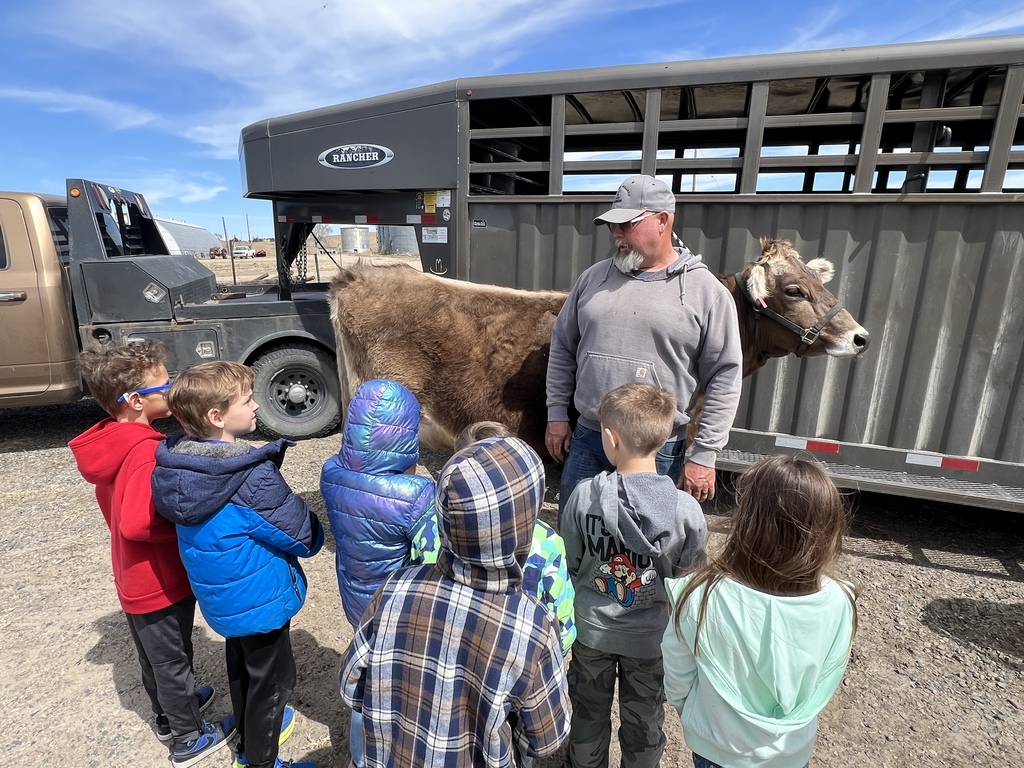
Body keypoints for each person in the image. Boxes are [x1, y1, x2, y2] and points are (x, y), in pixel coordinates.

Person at [340, 436, 571, 768]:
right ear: (525, 523)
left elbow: (351, 685)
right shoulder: (532, 625)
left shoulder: (396, 587)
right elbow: (547, 736)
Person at [68, 341, 234, 767]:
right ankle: (187, 738)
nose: (173, 387)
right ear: (137, 400)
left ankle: (166, 714)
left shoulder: (113, 439)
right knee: (172, 660)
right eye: (166, 382)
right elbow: (137, 524)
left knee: (154, 656)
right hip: (157, 579)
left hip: (132, 575)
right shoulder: (142, 452)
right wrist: (186, 523)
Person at [151, 361, 324, 768]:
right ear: (216, 417)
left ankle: (247, 740)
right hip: (259, 602)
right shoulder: (248, 476)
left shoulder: (175, 464)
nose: (257, 407)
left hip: (224, 601)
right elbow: (303, 536)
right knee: (274, 685)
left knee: (243, 670)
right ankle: (261, 762)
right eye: (247, 401)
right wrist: (316, 529)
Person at [545, 174, 743, 514]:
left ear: (663, 220)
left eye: (627, 225)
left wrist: (705, 454)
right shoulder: (593, 278)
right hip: (589, 439)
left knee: (645, 551)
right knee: (577, 539)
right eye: (613, 227)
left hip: (658, 449)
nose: (617, 236)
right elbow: (563, 347)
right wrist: (557, 414)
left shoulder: (705, 291)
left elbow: (725, 375)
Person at [661, 455, 857, 768]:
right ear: (827, 529)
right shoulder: (839, 600)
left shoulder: (698, 594)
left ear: (747, 519)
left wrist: (692, 713)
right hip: (791, 752)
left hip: (716, 746)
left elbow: (677, 674)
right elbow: (826, 675)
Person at [560, 383, 707, 768]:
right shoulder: (686, 511)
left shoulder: (582, 496)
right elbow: (686, 578)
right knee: (644, 721)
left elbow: (572, 560)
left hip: (592, 630)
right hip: (651, 638)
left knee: (587, 713)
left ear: (610, 438)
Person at [320, 379, 441, 768]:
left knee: (365, 677)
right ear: (404, 433)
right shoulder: (417, 494)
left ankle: (361, 756)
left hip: (357, 597)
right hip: (400, 609)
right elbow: (431, 557)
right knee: (398, 681)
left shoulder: (331, 472)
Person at [454, 421, 576, 657]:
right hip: (521, 657)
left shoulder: (429, 528)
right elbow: (562, 621)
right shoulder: (546, 542)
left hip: (453, 649)